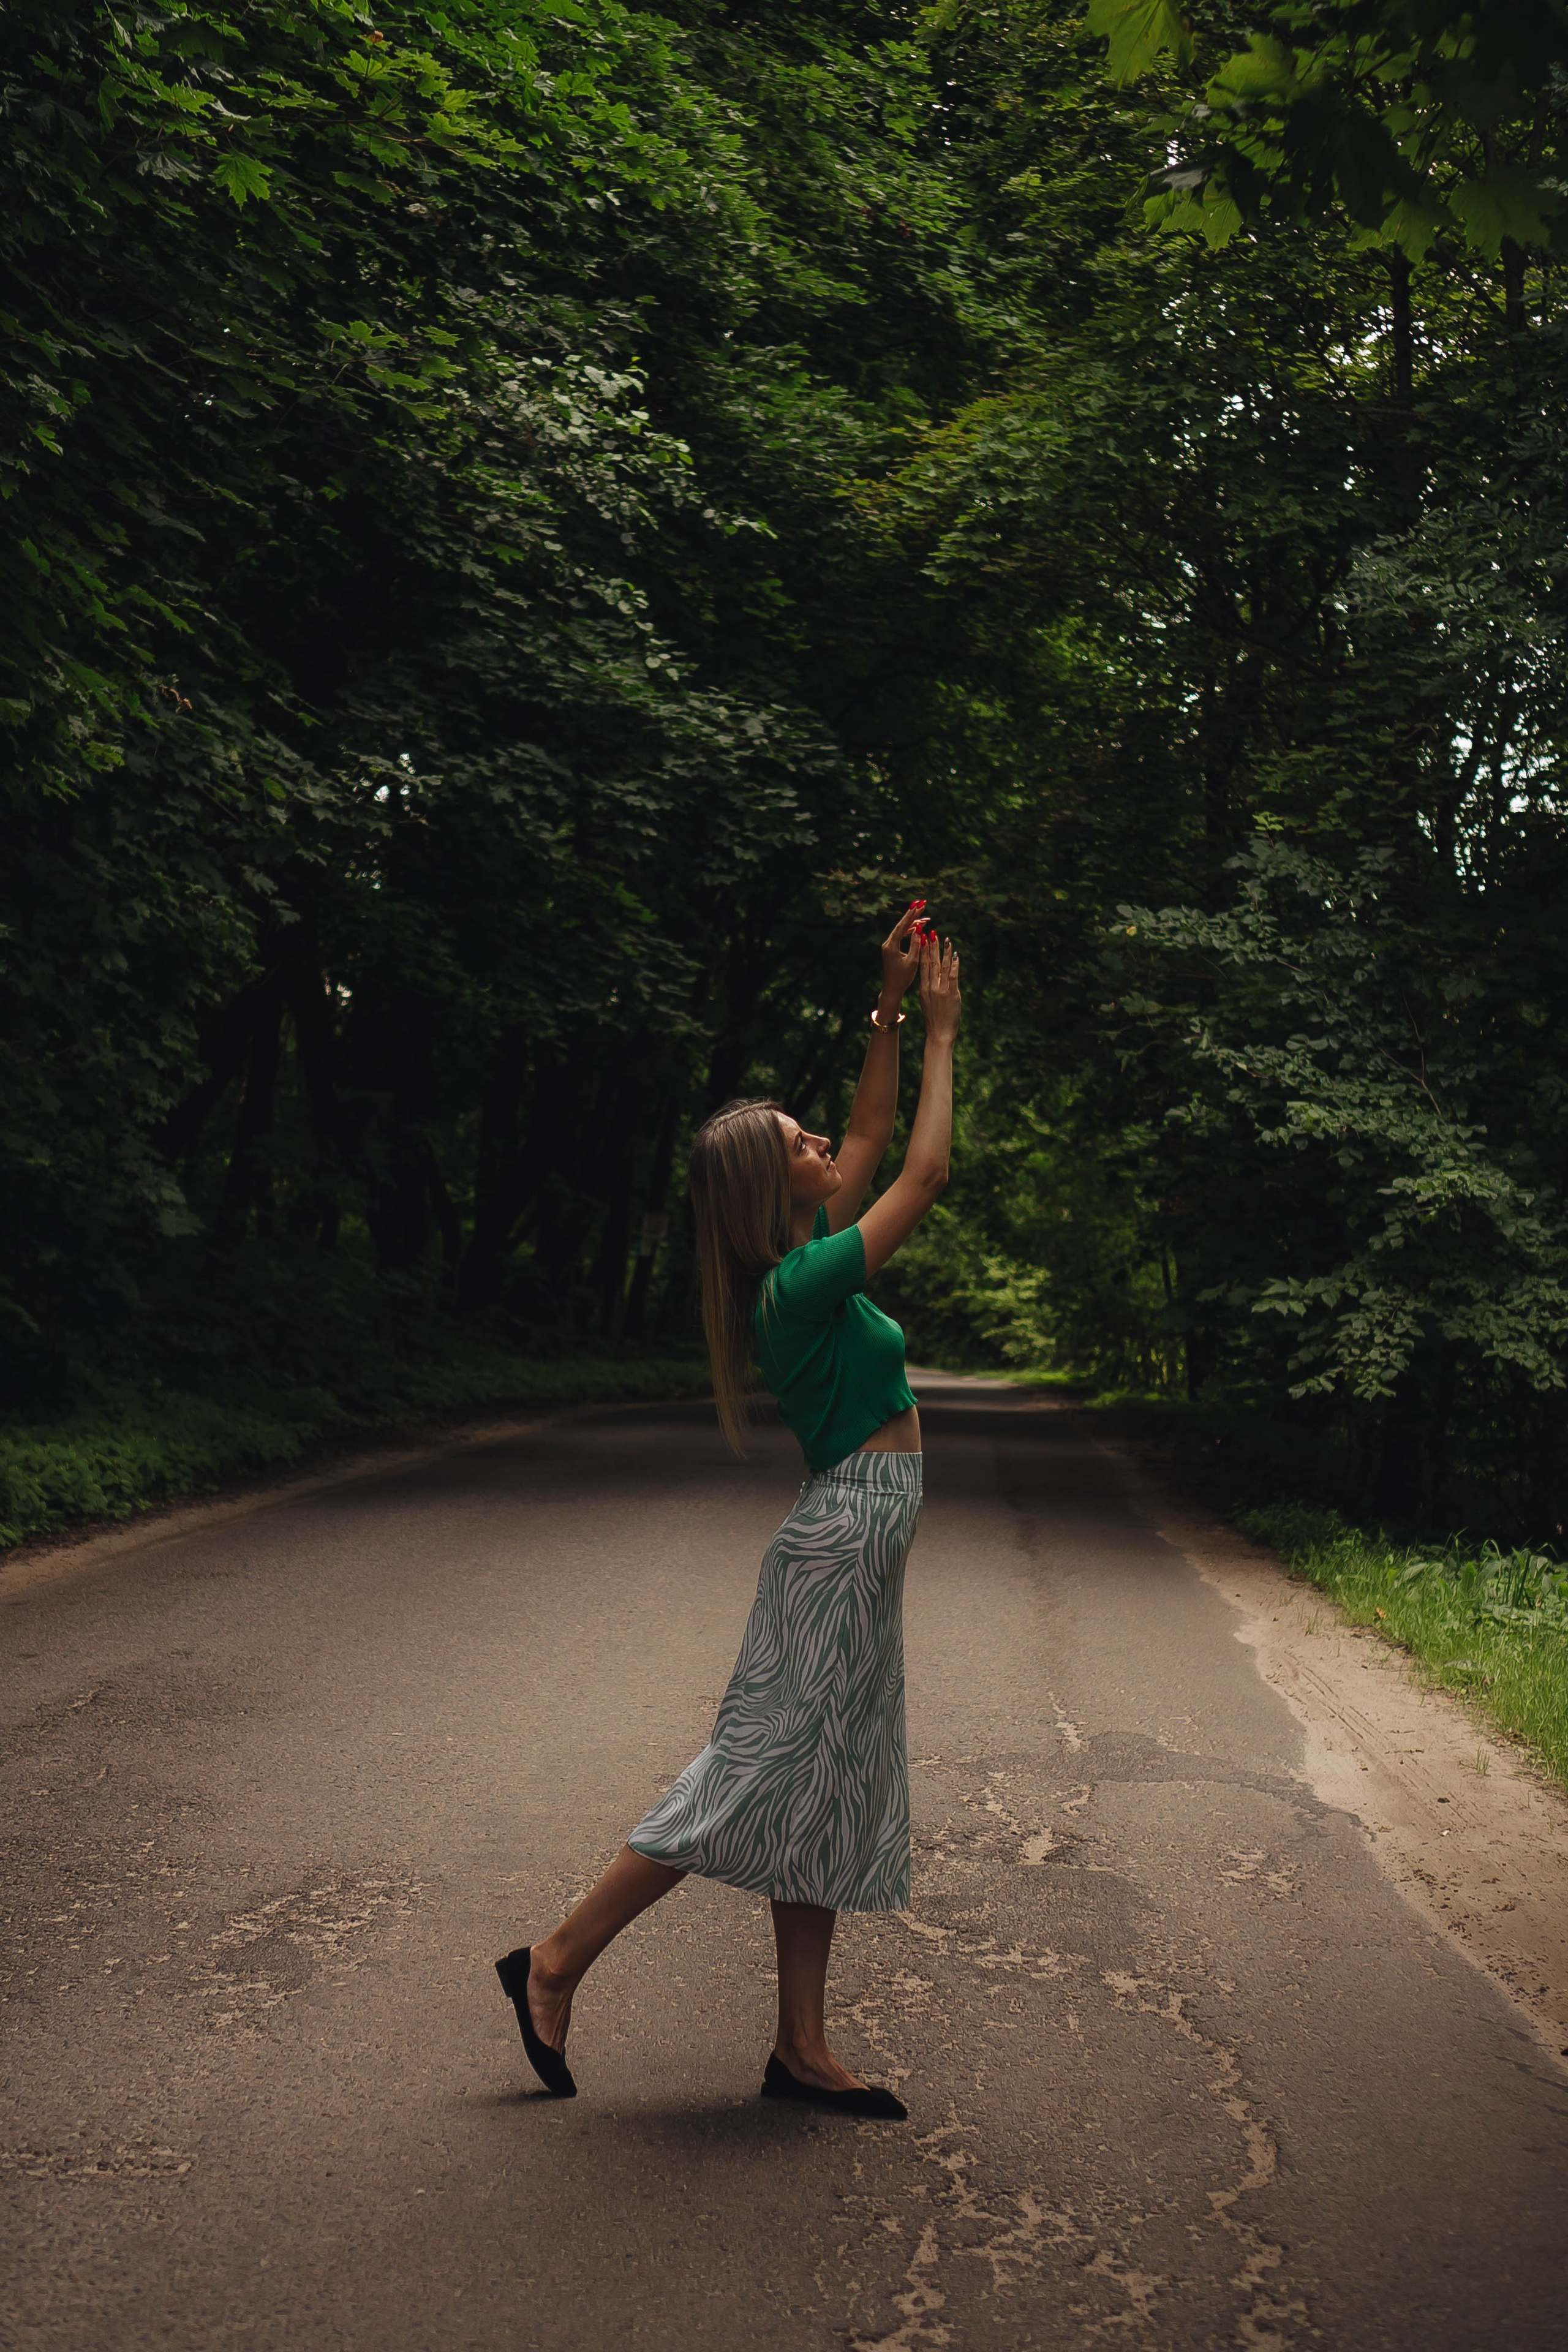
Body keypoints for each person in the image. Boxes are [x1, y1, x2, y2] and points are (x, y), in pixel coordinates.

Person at [496, 906, 962, 2118]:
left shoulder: (806, 1251)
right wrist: (942, 1034)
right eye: (801, 1143)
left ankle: (799, 2049)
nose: (825, 1141)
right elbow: (920, 1171)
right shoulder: (799, 1285)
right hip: (840, 1544)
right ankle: (554, 1961)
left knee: (822, 1790)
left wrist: (887, 1006)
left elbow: (872, 1132)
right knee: (755, 1773)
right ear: (772, 1184)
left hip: (856, 1542)